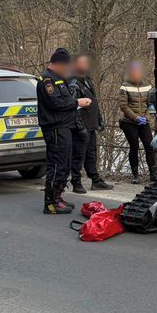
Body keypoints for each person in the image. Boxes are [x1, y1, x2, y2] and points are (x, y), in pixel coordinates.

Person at [36, 48, 92, 214]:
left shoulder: (61, 79)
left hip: (65, 126)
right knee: (57, 164)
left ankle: (58, 196)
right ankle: (50, 203)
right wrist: (77, 103)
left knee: (65, 164)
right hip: (54, 127)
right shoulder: (47, 80)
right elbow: (56, 104)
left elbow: (65, 100)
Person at [68, 54, 113, 194]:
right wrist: (79, 126)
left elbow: (93, 102)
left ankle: (95, 180)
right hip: (81, 126)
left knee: (91, 154)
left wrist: (99, 119)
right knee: (78, 155)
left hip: (91, 124)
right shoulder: (73, 82)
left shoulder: (87, 80)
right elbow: (73, 106)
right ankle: (76, 181)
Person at [118, 61, 157, 184]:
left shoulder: (147, 86)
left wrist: (146, 117)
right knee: (134, 146)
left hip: (144, 121)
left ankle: (153, 174)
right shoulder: (125, 86)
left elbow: (151, 104)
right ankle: (135, 175)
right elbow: (123, 106)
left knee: (149, 146)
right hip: (130, 122)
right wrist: (135, 118)